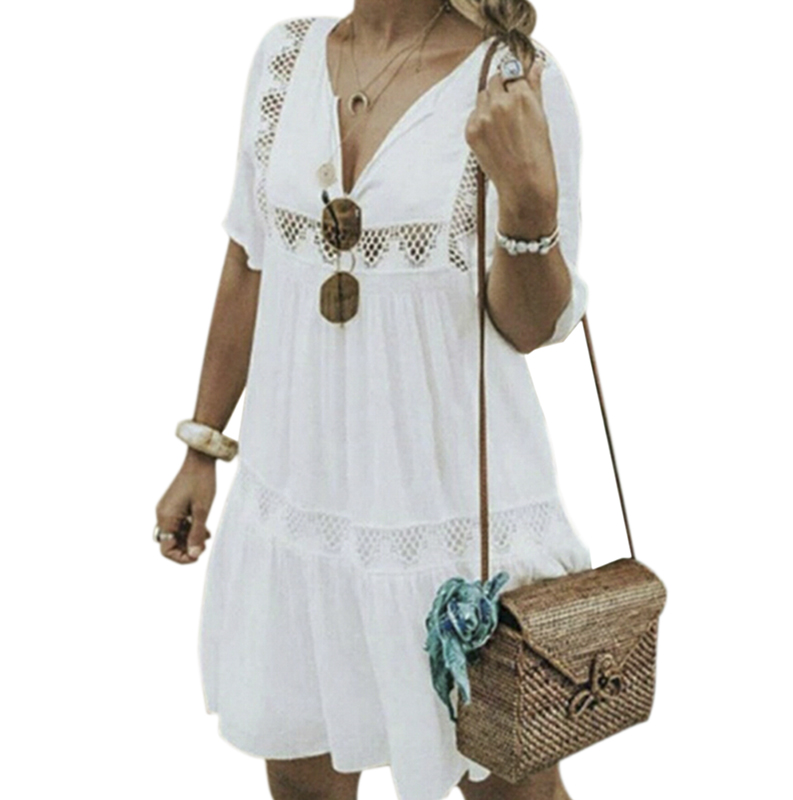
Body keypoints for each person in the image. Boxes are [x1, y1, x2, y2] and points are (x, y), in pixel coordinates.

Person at [154, 2, 590, 799]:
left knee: (514, 791)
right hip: (299, 508)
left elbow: (530, 327)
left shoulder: (513, 79)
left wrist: (530, 206)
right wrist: (202, 444)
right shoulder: (284, 57)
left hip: (458, 523)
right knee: (302, 783)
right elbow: (249, 261)